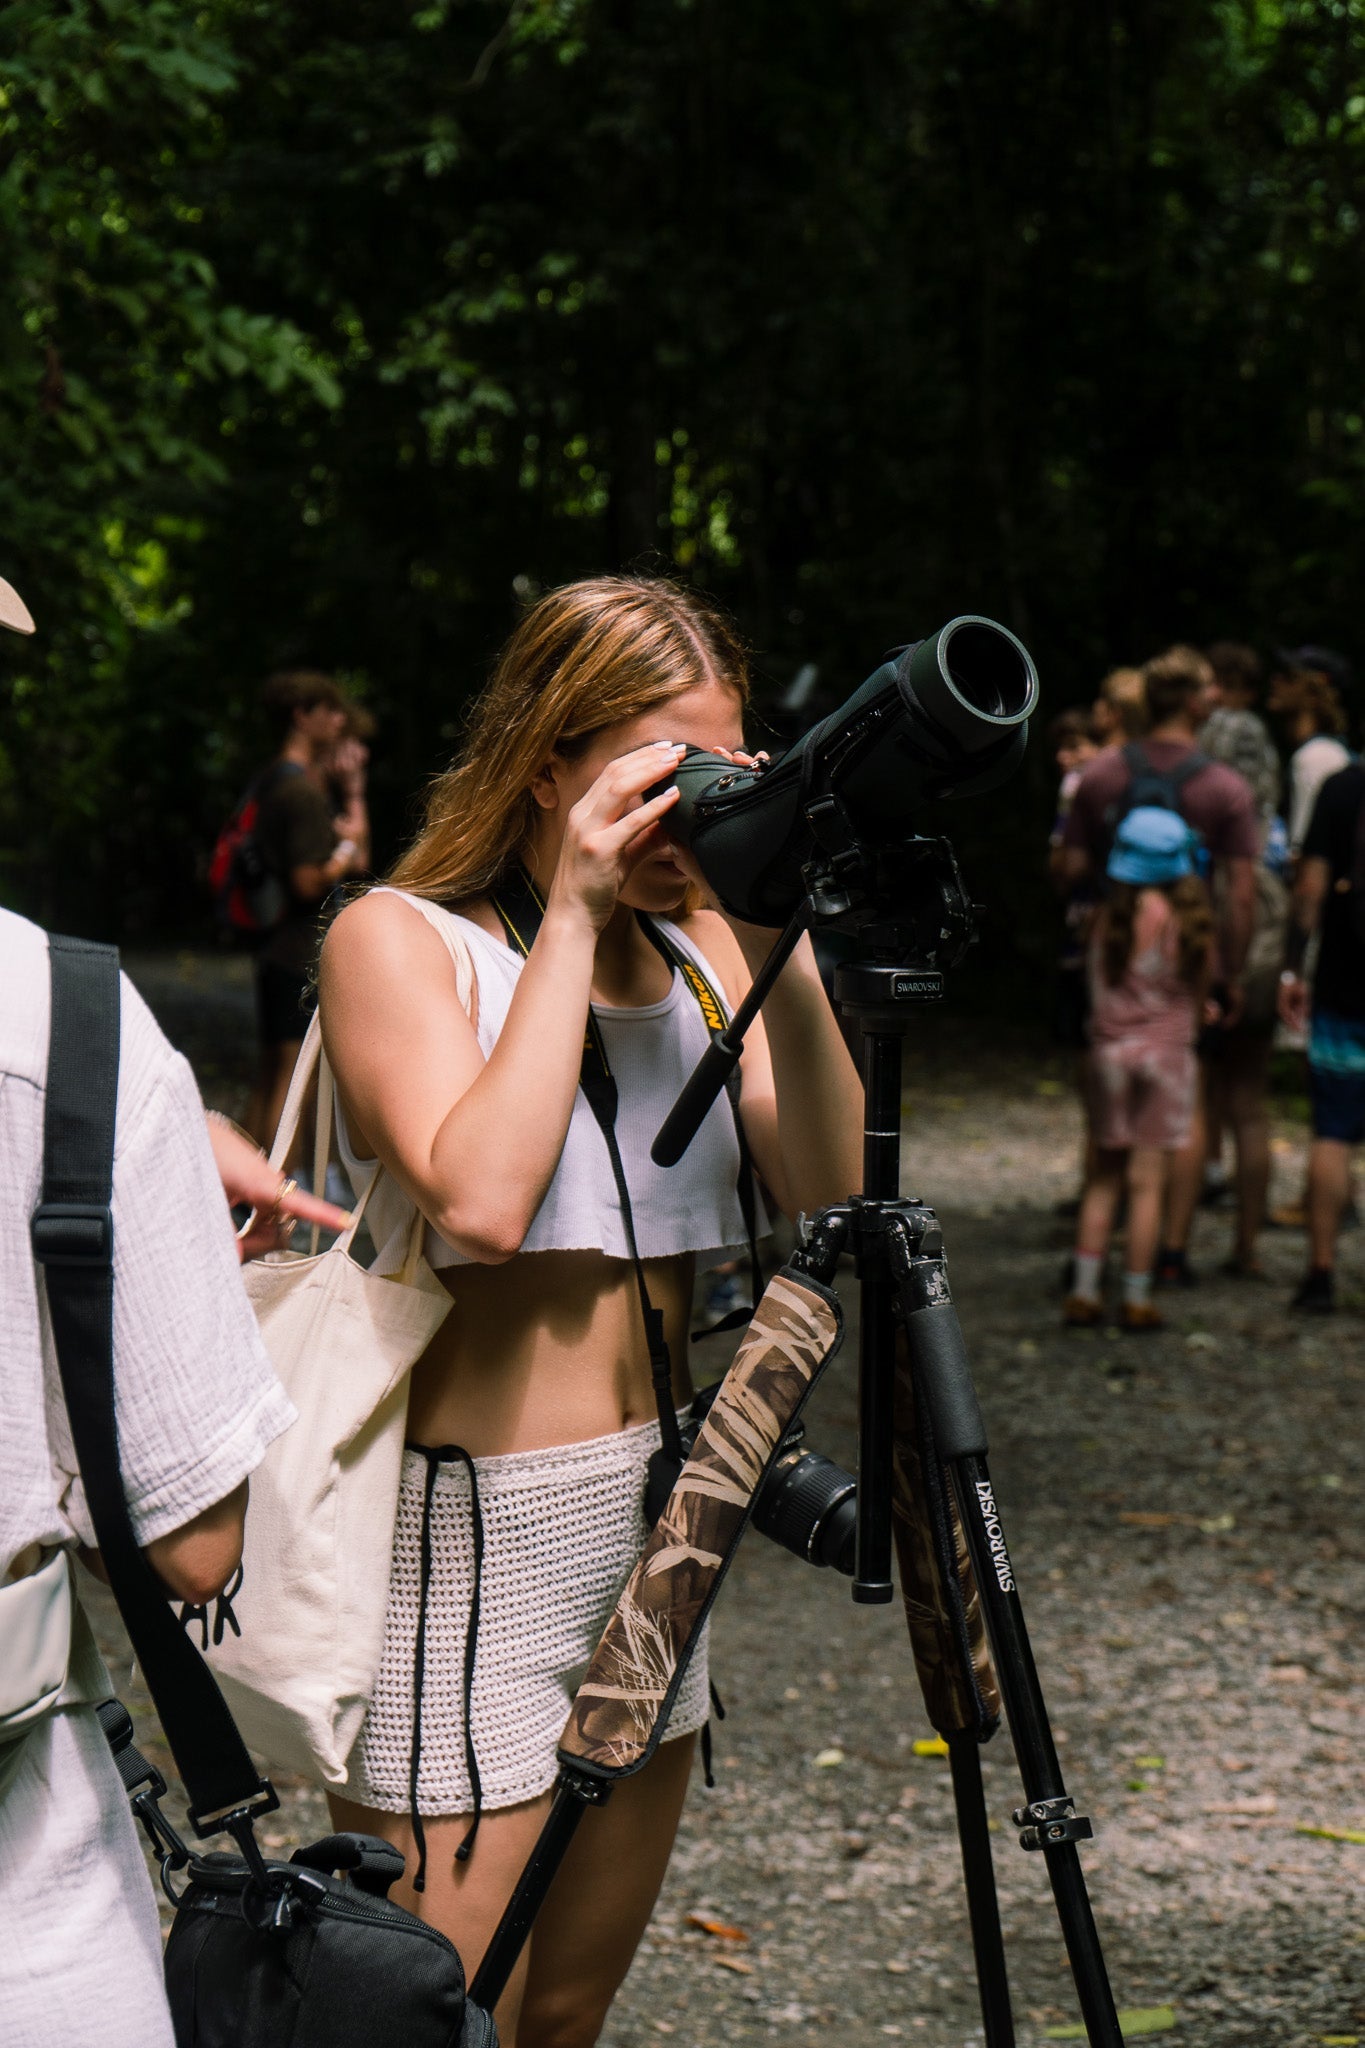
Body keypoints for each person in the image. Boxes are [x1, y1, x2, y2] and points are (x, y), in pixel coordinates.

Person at [317, 575, 863, 2047]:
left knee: (563, 2021)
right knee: (443, 2019)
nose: (692, 816)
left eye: (724, 776)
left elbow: (823, 1195)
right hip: (470, 1558)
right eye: (657, 777)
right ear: (551, 766)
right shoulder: (402, 943)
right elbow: (481, 1204)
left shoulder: (705, 958)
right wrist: (573, 904)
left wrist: (783, 926)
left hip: (658, 1537)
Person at [1060, 645, 1260, 1284]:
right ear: (1200, 703)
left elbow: (1068, 868)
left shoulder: (1102, 776)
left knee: (1108, 1146)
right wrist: (1227, 970)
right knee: (1183, 1119)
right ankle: (1169, 1253)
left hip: (1111, 976)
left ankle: (1088, 1272)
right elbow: (1241, 892)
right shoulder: (1224, 787)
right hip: (1180, 990)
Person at [1065, 808, 1215, 1332]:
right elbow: (1198, 998)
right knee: (1148, 1184)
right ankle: (1135, 1298)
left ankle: (1084, 1293)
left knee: (1104, 1178)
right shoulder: (1191, 925)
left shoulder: (1105, 919)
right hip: (1167, 1062)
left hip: (1109, 1058)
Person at [244, 670, 369, 1148]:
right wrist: (343, 848)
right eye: (329, 710)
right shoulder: (298, 792)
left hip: (274, 946)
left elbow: (360, 860)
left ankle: (238, 1195)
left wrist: (353, 790)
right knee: (294, 1079)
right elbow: (308, 881)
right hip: (295, 951)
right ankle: (269, 1201)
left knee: (273, 1067)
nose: (339, 719)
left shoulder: (277, 780)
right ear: (301, 716)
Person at [1197, 641, 1287, 1273]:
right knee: (1251, 1095)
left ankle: (1168, 1244)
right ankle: (1248, 1247)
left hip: (1227, 902)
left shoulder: (1222, 731)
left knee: (1211, 1085)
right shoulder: (1269, 744)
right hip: (1268, 907)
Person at [1278, 757, 1365, 1311]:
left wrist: (1292, 967)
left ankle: (1320, 1274)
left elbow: (1309, 888)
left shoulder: (1342, 788)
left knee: (1332, 1132)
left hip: (1343, 984)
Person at [1268, 654, 1353, 861]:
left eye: (1289, 677)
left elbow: (1301, 852)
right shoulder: (1328, 752)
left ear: (1314, 694)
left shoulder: (1316, 757)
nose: (1275, 681)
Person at [1091, 666, 1148, 748]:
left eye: (1103, 698)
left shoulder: (1106, 759)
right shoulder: (1146, 754)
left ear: (1116, 713)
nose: (1096, 705)